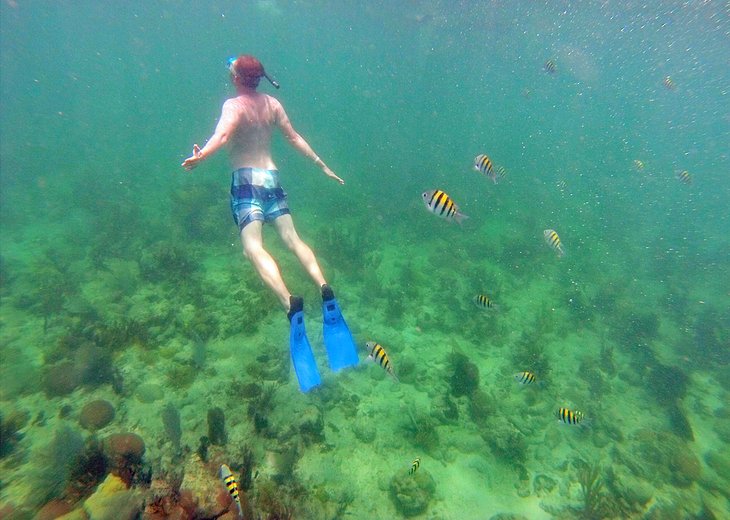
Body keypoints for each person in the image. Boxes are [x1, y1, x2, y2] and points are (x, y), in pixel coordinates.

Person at [181, 55, 358, 392]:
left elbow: (221, 136)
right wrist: (322, 166)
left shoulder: (233, 106)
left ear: (236, 78)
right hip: (271, 177)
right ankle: (323, 287)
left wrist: (201, 156)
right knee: (292, 238)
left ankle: (289, 303)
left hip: (246, 180)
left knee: (253, 248)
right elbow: (294, 138)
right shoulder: (272, 104)